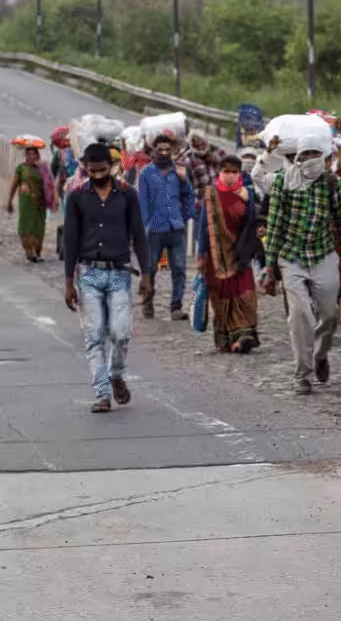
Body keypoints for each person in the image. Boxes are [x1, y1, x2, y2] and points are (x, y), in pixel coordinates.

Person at [262, 133, 341, 395]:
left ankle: (320, 354)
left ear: (325, 157)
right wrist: (270, 266)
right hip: (291, 256)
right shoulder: (283, 182)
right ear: (298, 157)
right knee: (300, 314)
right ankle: (302, 373)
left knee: (329, 315)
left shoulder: (332, 184)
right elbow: (275, 224)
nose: (311, 160)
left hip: (323, 254)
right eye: (306, 155)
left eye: (317, 154)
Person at [63, 144, 152, 413]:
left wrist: (147, 274)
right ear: (85, 168)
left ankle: (116, 374)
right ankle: (102, 393)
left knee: (120, 333)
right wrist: (68, 281)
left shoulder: (127, 194)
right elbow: (70, 239)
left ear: (111, 167)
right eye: (92, 171)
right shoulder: (77, 197)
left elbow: (139, 234)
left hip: (120, 272)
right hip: (88, 273)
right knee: (94, 336)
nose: (98, 174)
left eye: (102, 169)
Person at [196, 155, 261, 354]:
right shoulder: (212, 195)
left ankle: (243, 336)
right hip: (215, 256)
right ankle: (224, 339)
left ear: (240, 174)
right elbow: (203, 228)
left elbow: (254, 221)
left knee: (244, 295)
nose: (230, 176)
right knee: (221, 297)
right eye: (226, 172)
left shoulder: (247, 195)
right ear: (219, 173)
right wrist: (201, 255)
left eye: (234, 172)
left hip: (240, 253)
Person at [138, 135, 195, 321]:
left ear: (172, 150)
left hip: (176, 227)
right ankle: (148, 302)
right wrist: (143, 226)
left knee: (179, 268)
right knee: (151, 268)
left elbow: (188, 195)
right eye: (160, 149)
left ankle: (176, 307)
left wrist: (185, 216)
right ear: (154, 150)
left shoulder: (179, 172)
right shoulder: (146, 173)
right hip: (154, 229)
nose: (163, 153)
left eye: (166, 149)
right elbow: (143, 202)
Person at [6, 143, 56, 262]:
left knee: (39, 226)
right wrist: (9, 201)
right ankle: (29, 251)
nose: (32, 156)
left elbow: (50, 184)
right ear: (25, 155)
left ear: (37, 154)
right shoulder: (21, 168)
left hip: (40, 201)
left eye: (34, 153)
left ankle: (37, 251)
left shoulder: (42, 168)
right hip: (26, 202)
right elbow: (14, 185)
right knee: (27, 225)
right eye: (29, 153)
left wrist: (53, 198)